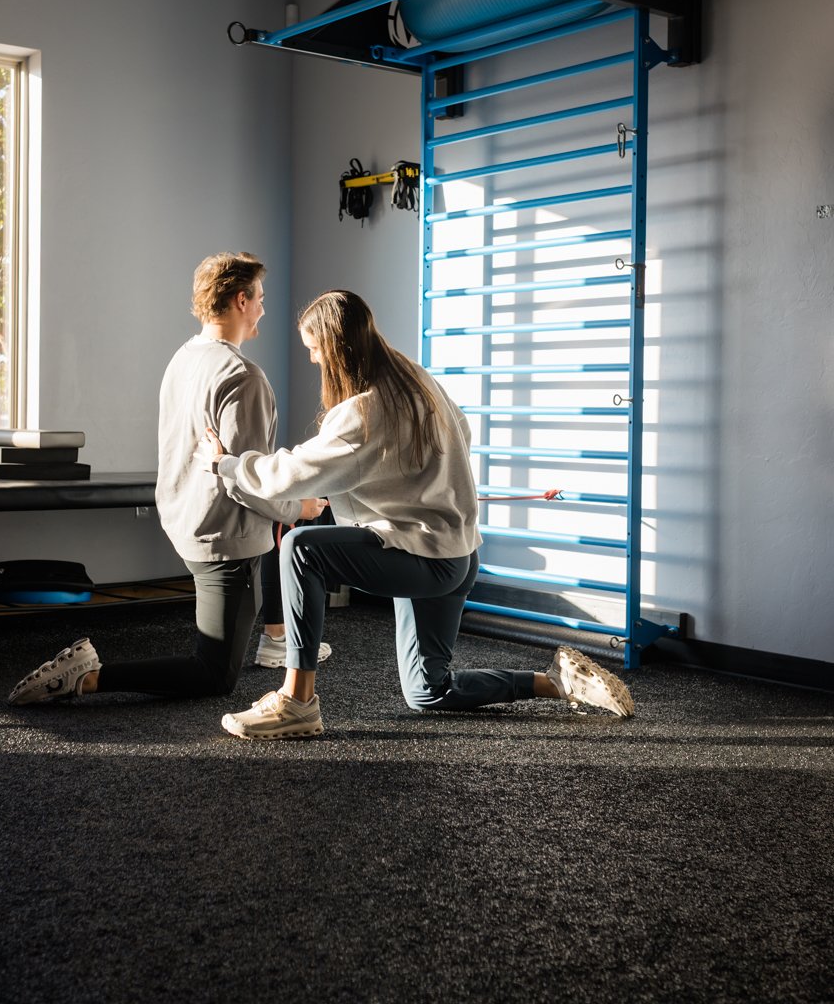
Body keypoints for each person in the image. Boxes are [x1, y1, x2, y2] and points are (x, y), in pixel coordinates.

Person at [203, 289, 634, 739]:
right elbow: (458, 433)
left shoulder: (364, 411)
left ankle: (297, 701)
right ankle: (557, 682)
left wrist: (224, 463)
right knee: (429, 690)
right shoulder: (414, 378)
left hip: (424, 560)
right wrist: (405, 490)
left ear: (334, 348)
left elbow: (289, 474)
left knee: (299, 548)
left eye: (313, 349)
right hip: (458, 556)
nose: (312, 360)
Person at [8, 251, 329, 706]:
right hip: (223, 537)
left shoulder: (184, 357)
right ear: (240, 300)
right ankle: (87, 677)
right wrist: (301, 508)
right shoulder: (243, 376)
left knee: (227, 640)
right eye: (259, 298)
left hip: (186, 519)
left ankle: (277, 638)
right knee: (214, 674)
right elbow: (243, 479)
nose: (263, 307)